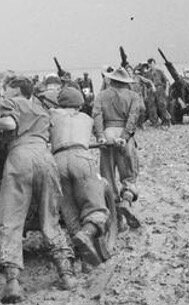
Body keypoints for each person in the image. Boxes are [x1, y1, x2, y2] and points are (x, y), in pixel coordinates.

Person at [0, 77, 77, 303]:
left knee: (10, 219)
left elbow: (9, 125)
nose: (4, 93)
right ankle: (66, 274)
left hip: (20, 158)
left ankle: (13, 283)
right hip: (45, 158)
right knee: (50, 217)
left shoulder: (12, 103)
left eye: (7, 89)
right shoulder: (42, 109)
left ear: (16, 90)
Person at [50, 88, 109, 266]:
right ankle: (86, 233)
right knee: (95, 206)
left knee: (68, 209)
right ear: (80, 104)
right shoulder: (86, 118)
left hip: (57, 160)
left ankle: (84, 255)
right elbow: (99, 137)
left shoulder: (52, 115)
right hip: (81, 156)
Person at [93, 68, 145, 229]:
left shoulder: (101, 95)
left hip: (107, 135)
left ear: (111, 81)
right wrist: (125, 136)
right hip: (124, 137)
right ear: (126, 82)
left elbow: (97, 116)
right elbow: (133, 117)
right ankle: (126, 201)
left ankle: (116, 217)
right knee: (129, 176)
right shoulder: (133, 96)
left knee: (107, 177)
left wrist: (100, 136)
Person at [144, 58, 171, 128]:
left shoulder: (160, 72)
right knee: (152, 107)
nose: (151, 65)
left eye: (152, 64)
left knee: (162, 105)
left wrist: (167, 90)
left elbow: (166, 81)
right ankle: (154, 122)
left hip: (160, 90)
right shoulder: (147, 74)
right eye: (149, 64)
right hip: (151, 91)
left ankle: (166, 121)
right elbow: (145, 84)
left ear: (155, 64)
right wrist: (146, 94)